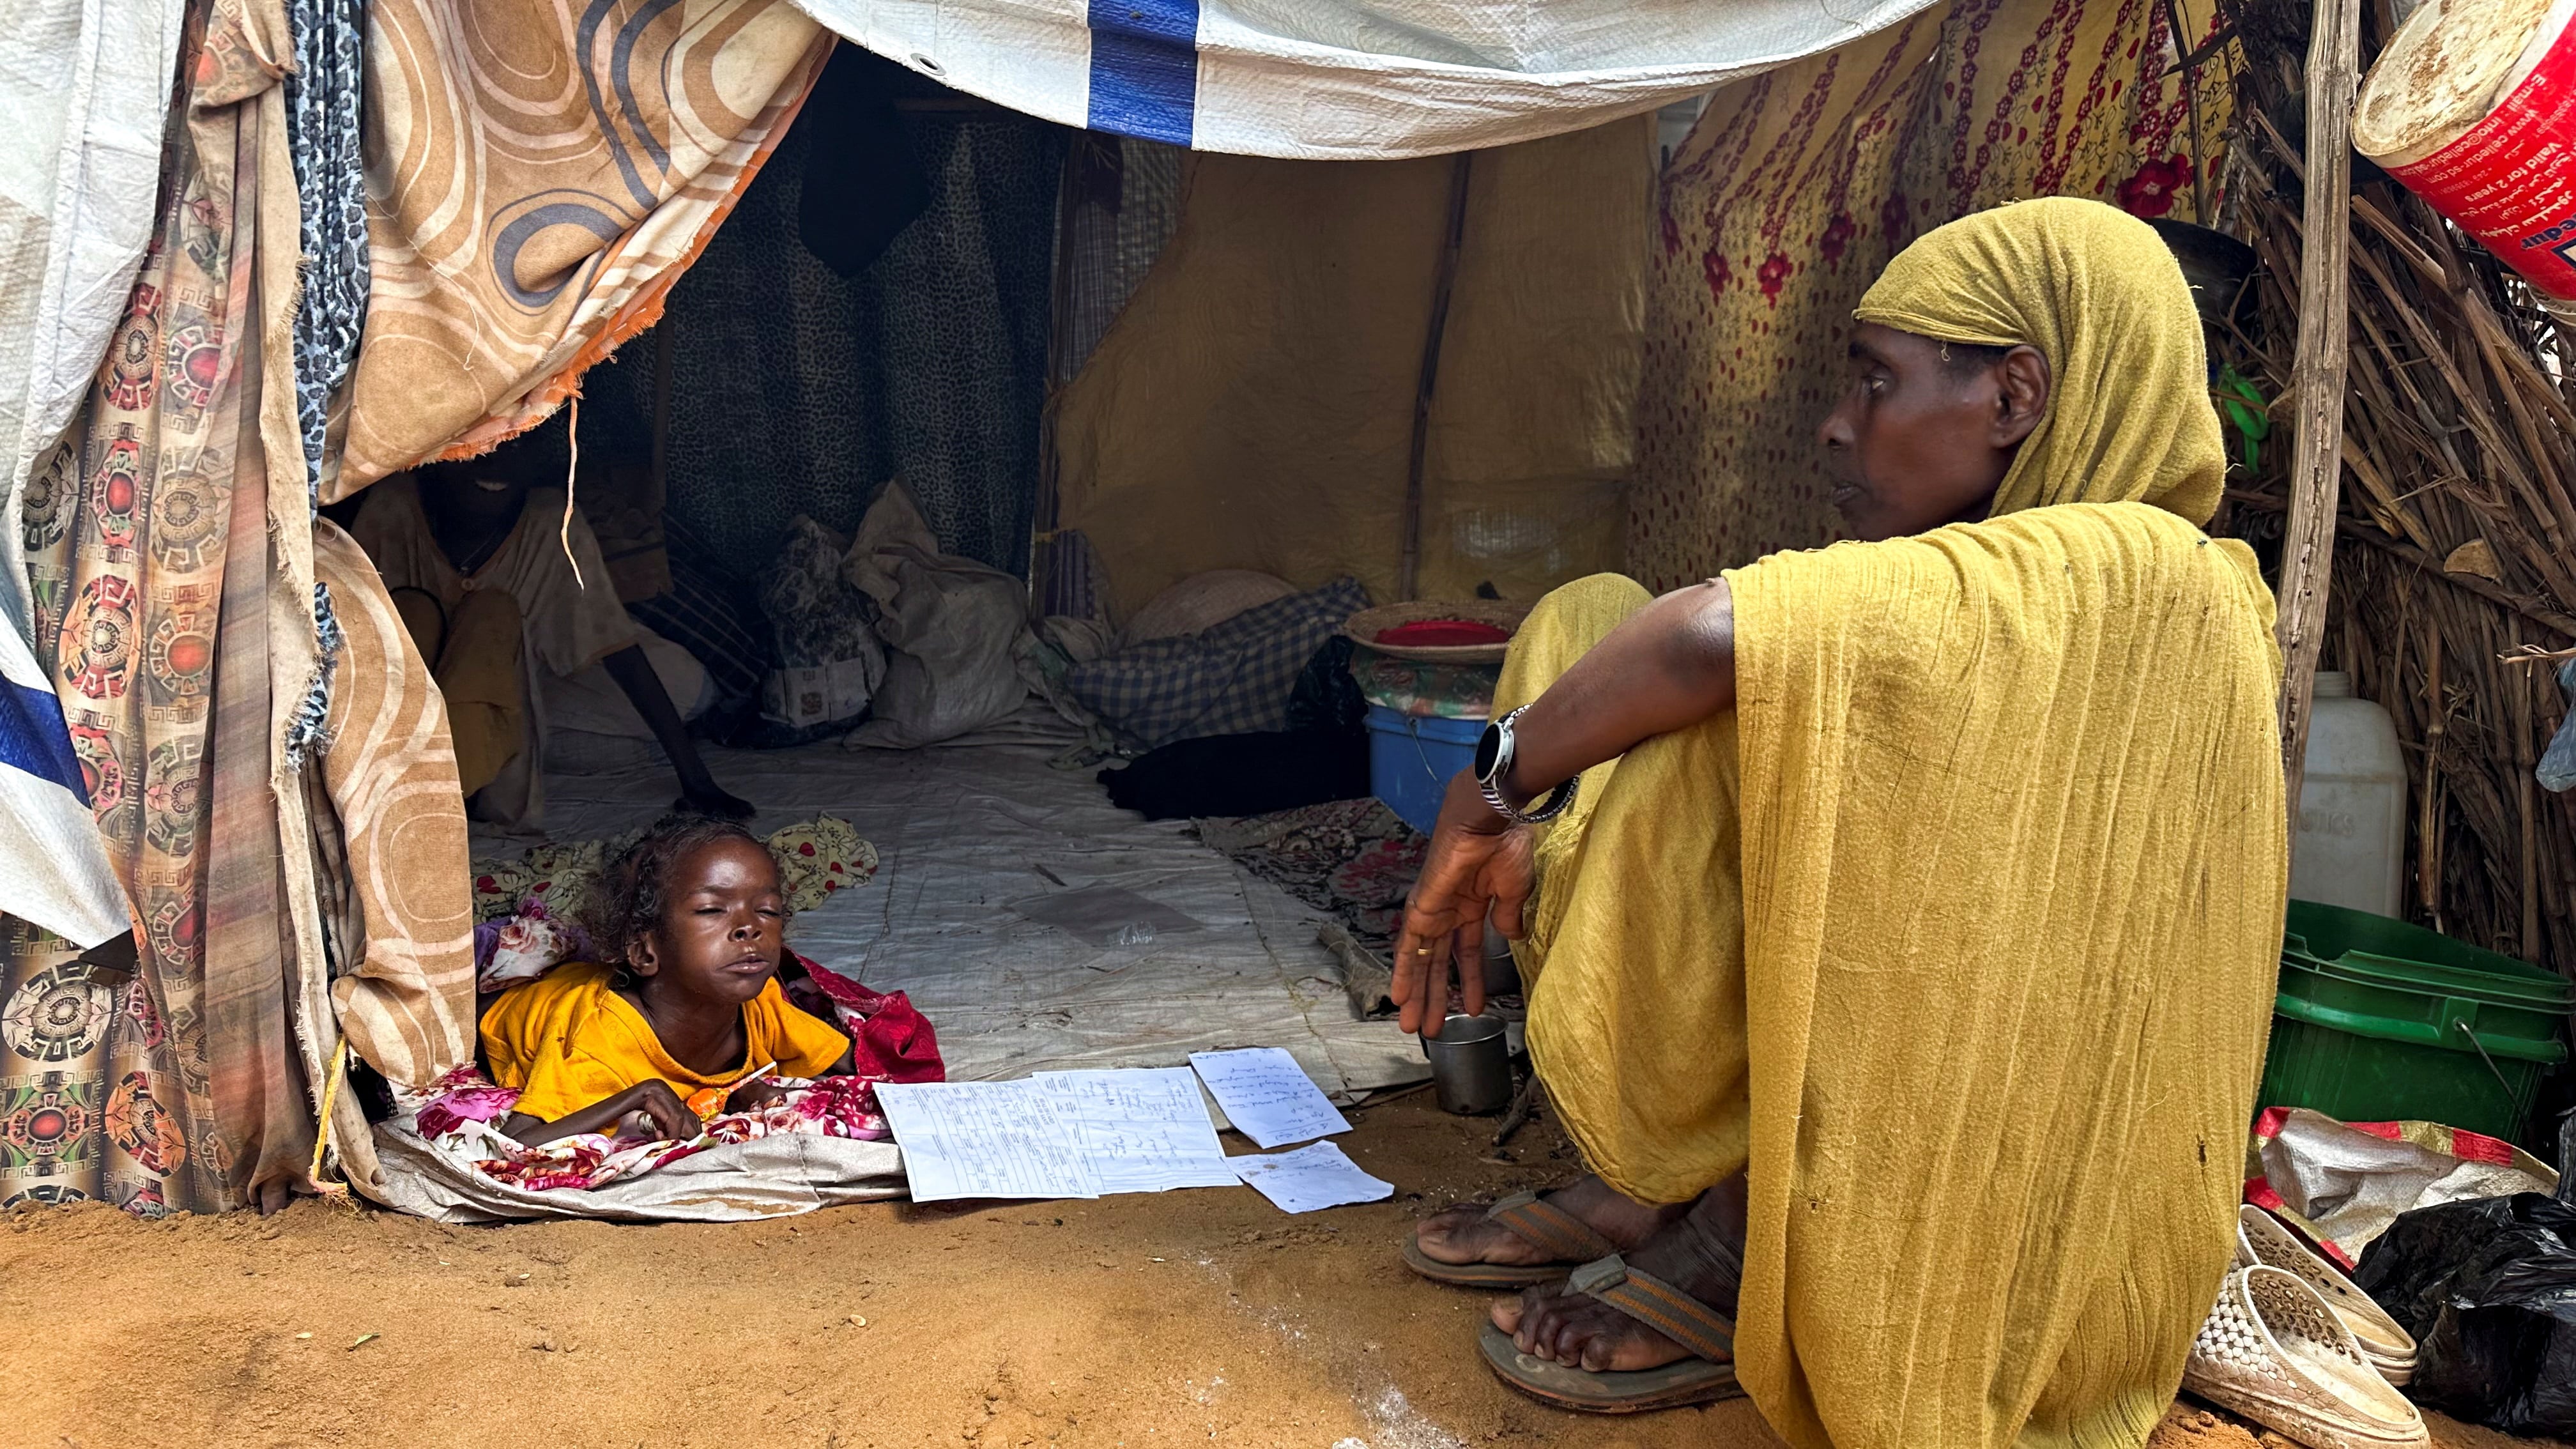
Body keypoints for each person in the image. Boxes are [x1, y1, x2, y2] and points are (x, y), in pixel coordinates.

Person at [1393, 197, 2287, 1446]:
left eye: (1876, 383)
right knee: (1585, 624)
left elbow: (1714, 634)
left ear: (2017, 397)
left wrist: (1480, 793)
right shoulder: (2029, 569)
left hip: (1982, 1143)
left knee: (1698, 717)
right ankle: (1645, 1190)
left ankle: (1733, 1234)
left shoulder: (2137, 573)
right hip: (1920, 1020)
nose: (1836, 421)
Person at [351, 441, 752, 827]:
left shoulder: (550, 521)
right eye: (477, 447)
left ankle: (477, 775)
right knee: (435, 614)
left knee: (682, 687)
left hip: (509, 701)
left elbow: (619, 650)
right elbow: (351, 656)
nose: (494, 463)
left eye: (513, 446)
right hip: (407, 716)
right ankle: (433, 786)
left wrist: (696, 779)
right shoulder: (393, 508)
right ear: (438, 454)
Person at [482, 816, 852, 1146]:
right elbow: (519, 1139)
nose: (750, 928)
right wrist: (641, 1094)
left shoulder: (761, 1003)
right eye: (712, 910)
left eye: (767, 911)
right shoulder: (599, 1043)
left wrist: (738, 1093)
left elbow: (859, 1063)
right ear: (645, 953)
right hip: (505, 1008)